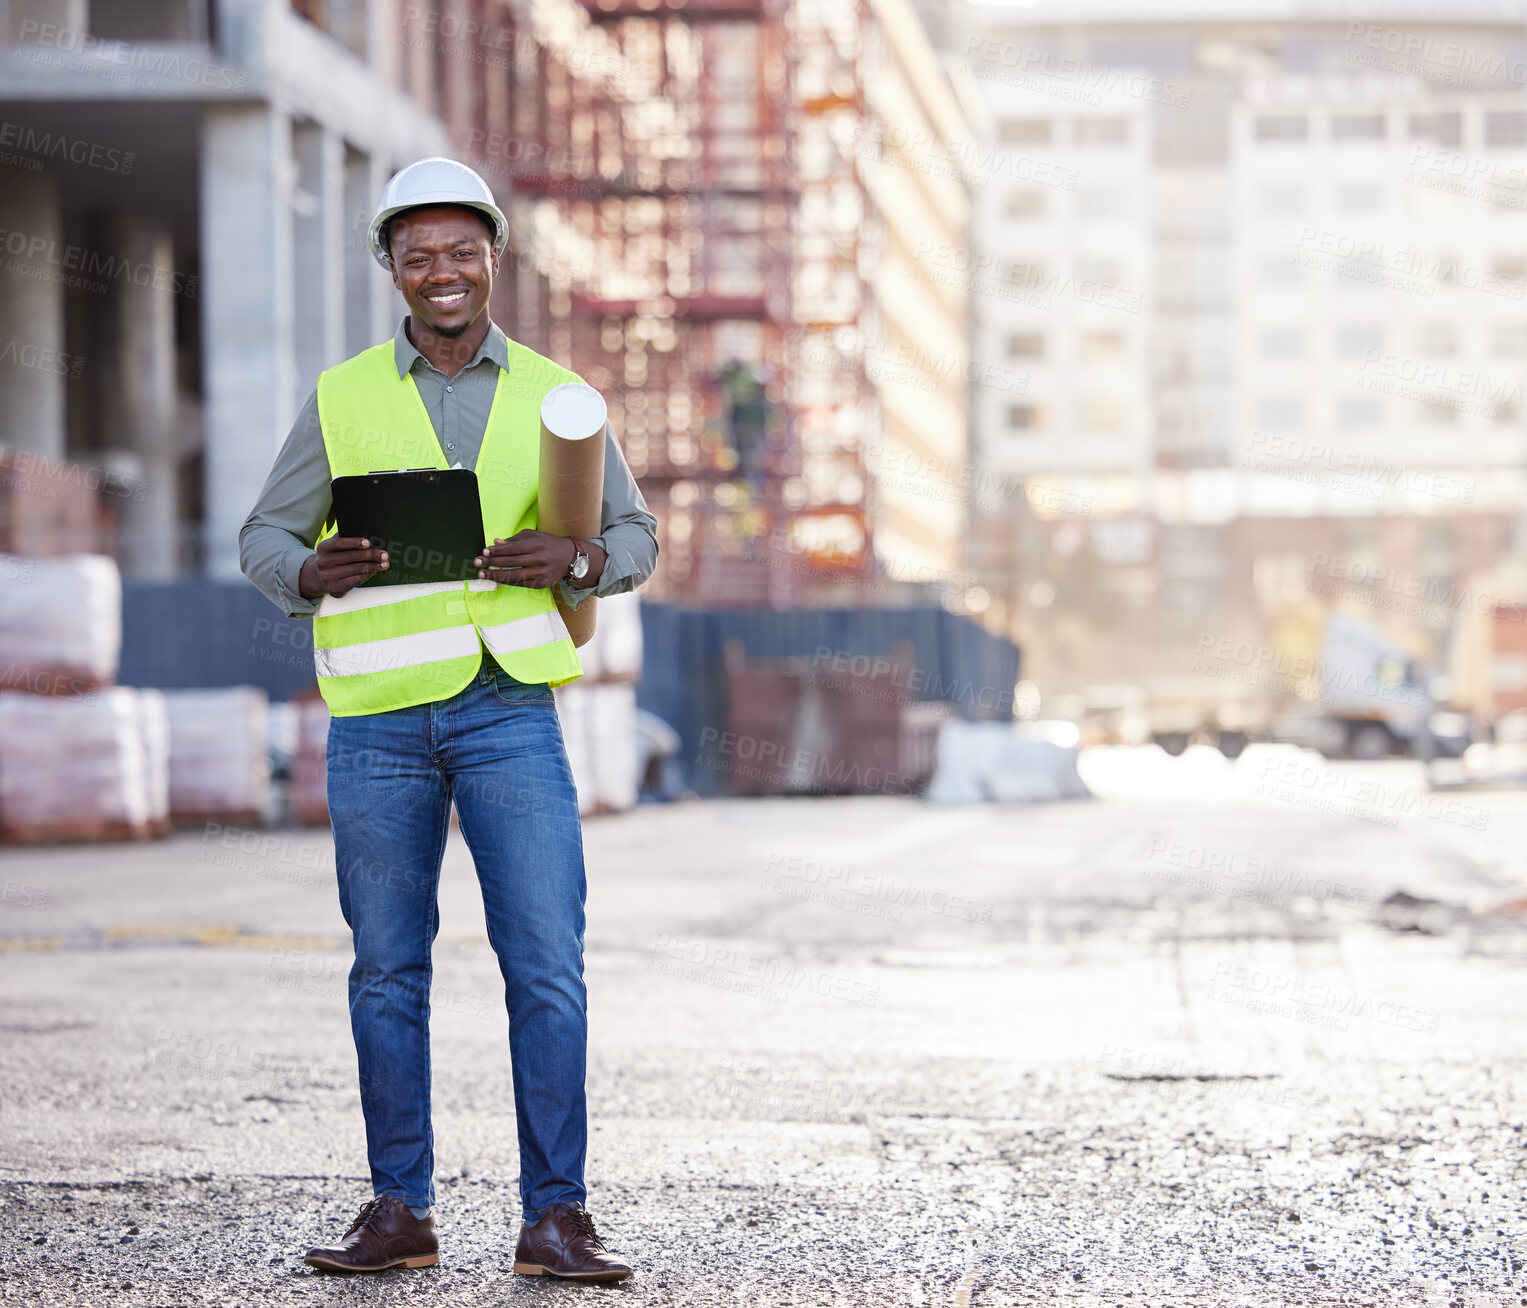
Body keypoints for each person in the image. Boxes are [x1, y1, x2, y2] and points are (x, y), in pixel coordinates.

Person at [240, 157, 656, 1284]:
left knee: (547, 967)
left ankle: (555, 1218)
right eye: (417, 254)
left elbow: (636, 537)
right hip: (377, 719)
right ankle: (399, 1210)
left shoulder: (558, 397)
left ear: (493, 258)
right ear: (391, 269)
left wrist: (574, 556)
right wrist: (310, 570)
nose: (442, 271)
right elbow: (261, 541)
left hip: (508, 707)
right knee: (386, 969)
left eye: (461, 250)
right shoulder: (341, 398)